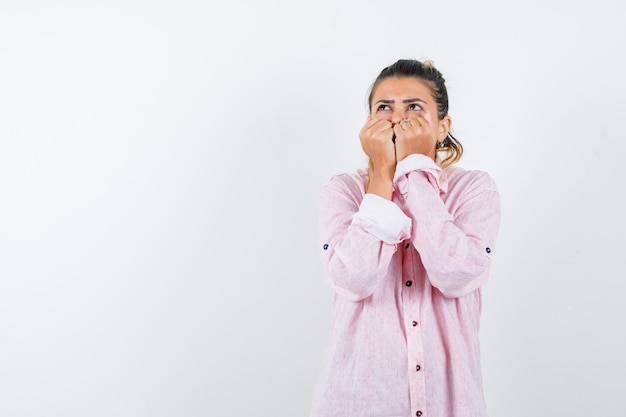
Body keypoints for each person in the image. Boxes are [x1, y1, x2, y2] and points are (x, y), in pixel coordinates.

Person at [310, 59, 501, 417]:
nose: (398, 119)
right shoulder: (343, 191)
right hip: (358, 402)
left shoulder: (473, 190)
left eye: (414, 107)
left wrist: (414, 170)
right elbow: (352, 278)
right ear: (369, 124)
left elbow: (457, 273)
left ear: (442, 127)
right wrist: (381, 176)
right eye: (385, 108)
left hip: (450, 402)